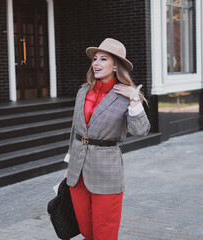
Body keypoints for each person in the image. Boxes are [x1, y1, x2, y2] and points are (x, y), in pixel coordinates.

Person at [63, 38, 151, 240]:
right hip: (78, 171)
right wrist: (69, 164)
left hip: (106, 171)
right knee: (86, 231)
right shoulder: (83, 91)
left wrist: (134, 99)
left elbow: (141, 130)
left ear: (115, 66)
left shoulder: (124, 95)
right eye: (95, 59)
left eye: (103, 59)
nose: (96, 63)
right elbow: (75, 130)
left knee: (105, 232)